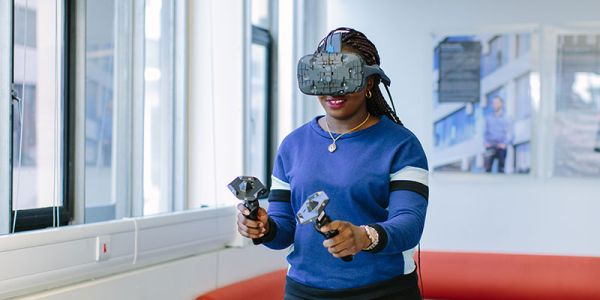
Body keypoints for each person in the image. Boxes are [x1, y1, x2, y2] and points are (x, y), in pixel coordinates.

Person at [236, 27, 428, 299]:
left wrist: (363, 237)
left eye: (346, 77)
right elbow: (285, 230)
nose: (334, 89)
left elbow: (409, 224)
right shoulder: (293, 145)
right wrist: (264, 228)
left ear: (369, 82)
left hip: (383, 291)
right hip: (304, 292)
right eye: (324, 78)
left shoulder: (401, 145)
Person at [483, 96, 513, 173]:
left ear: (501, 104)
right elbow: (484, 132)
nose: (495, 104)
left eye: (497, 103)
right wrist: (486, 143)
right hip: (490, 146)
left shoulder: (507, 118)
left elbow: (510, 133)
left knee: (501, 169)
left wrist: (505, 143)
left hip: (501, 146)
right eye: (493, 103)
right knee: (487, 168)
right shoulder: (488, 118)